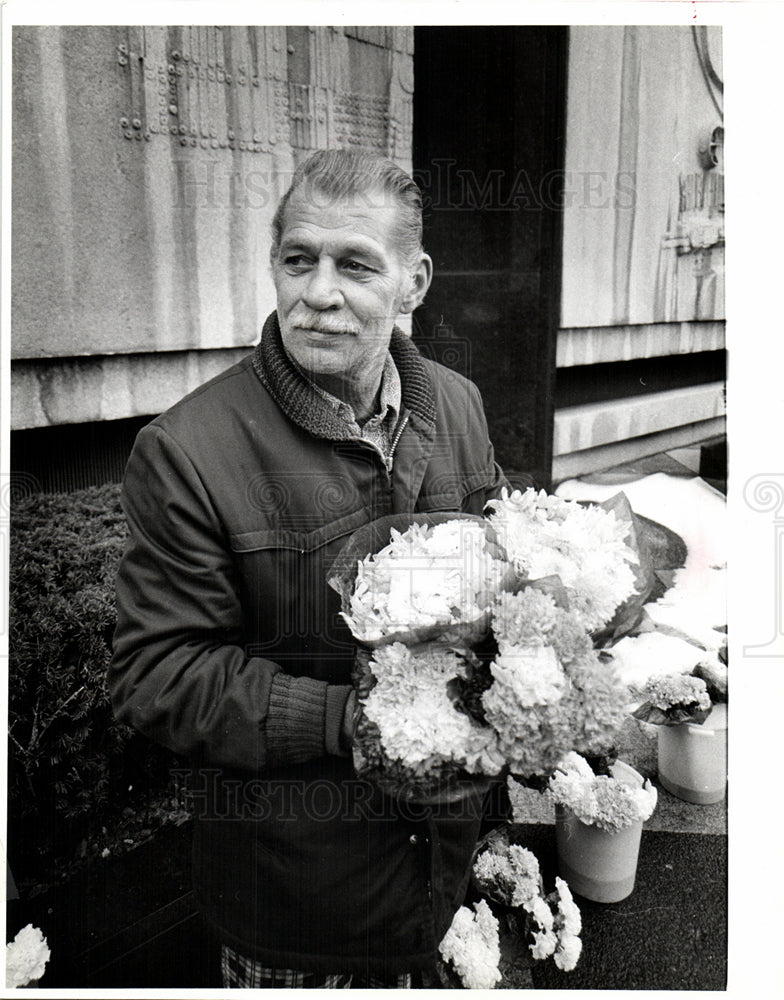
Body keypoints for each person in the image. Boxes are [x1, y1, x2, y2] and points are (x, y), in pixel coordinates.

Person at [109, 148, 508, 988]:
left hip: (442, 859)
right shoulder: (188, 450)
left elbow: (501, 571)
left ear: (415, 282)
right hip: (294, 902)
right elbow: (155, 675)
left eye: (355, 264)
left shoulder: (460, 404)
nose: (318, 292)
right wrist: (356, 718)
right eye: (298, 259)